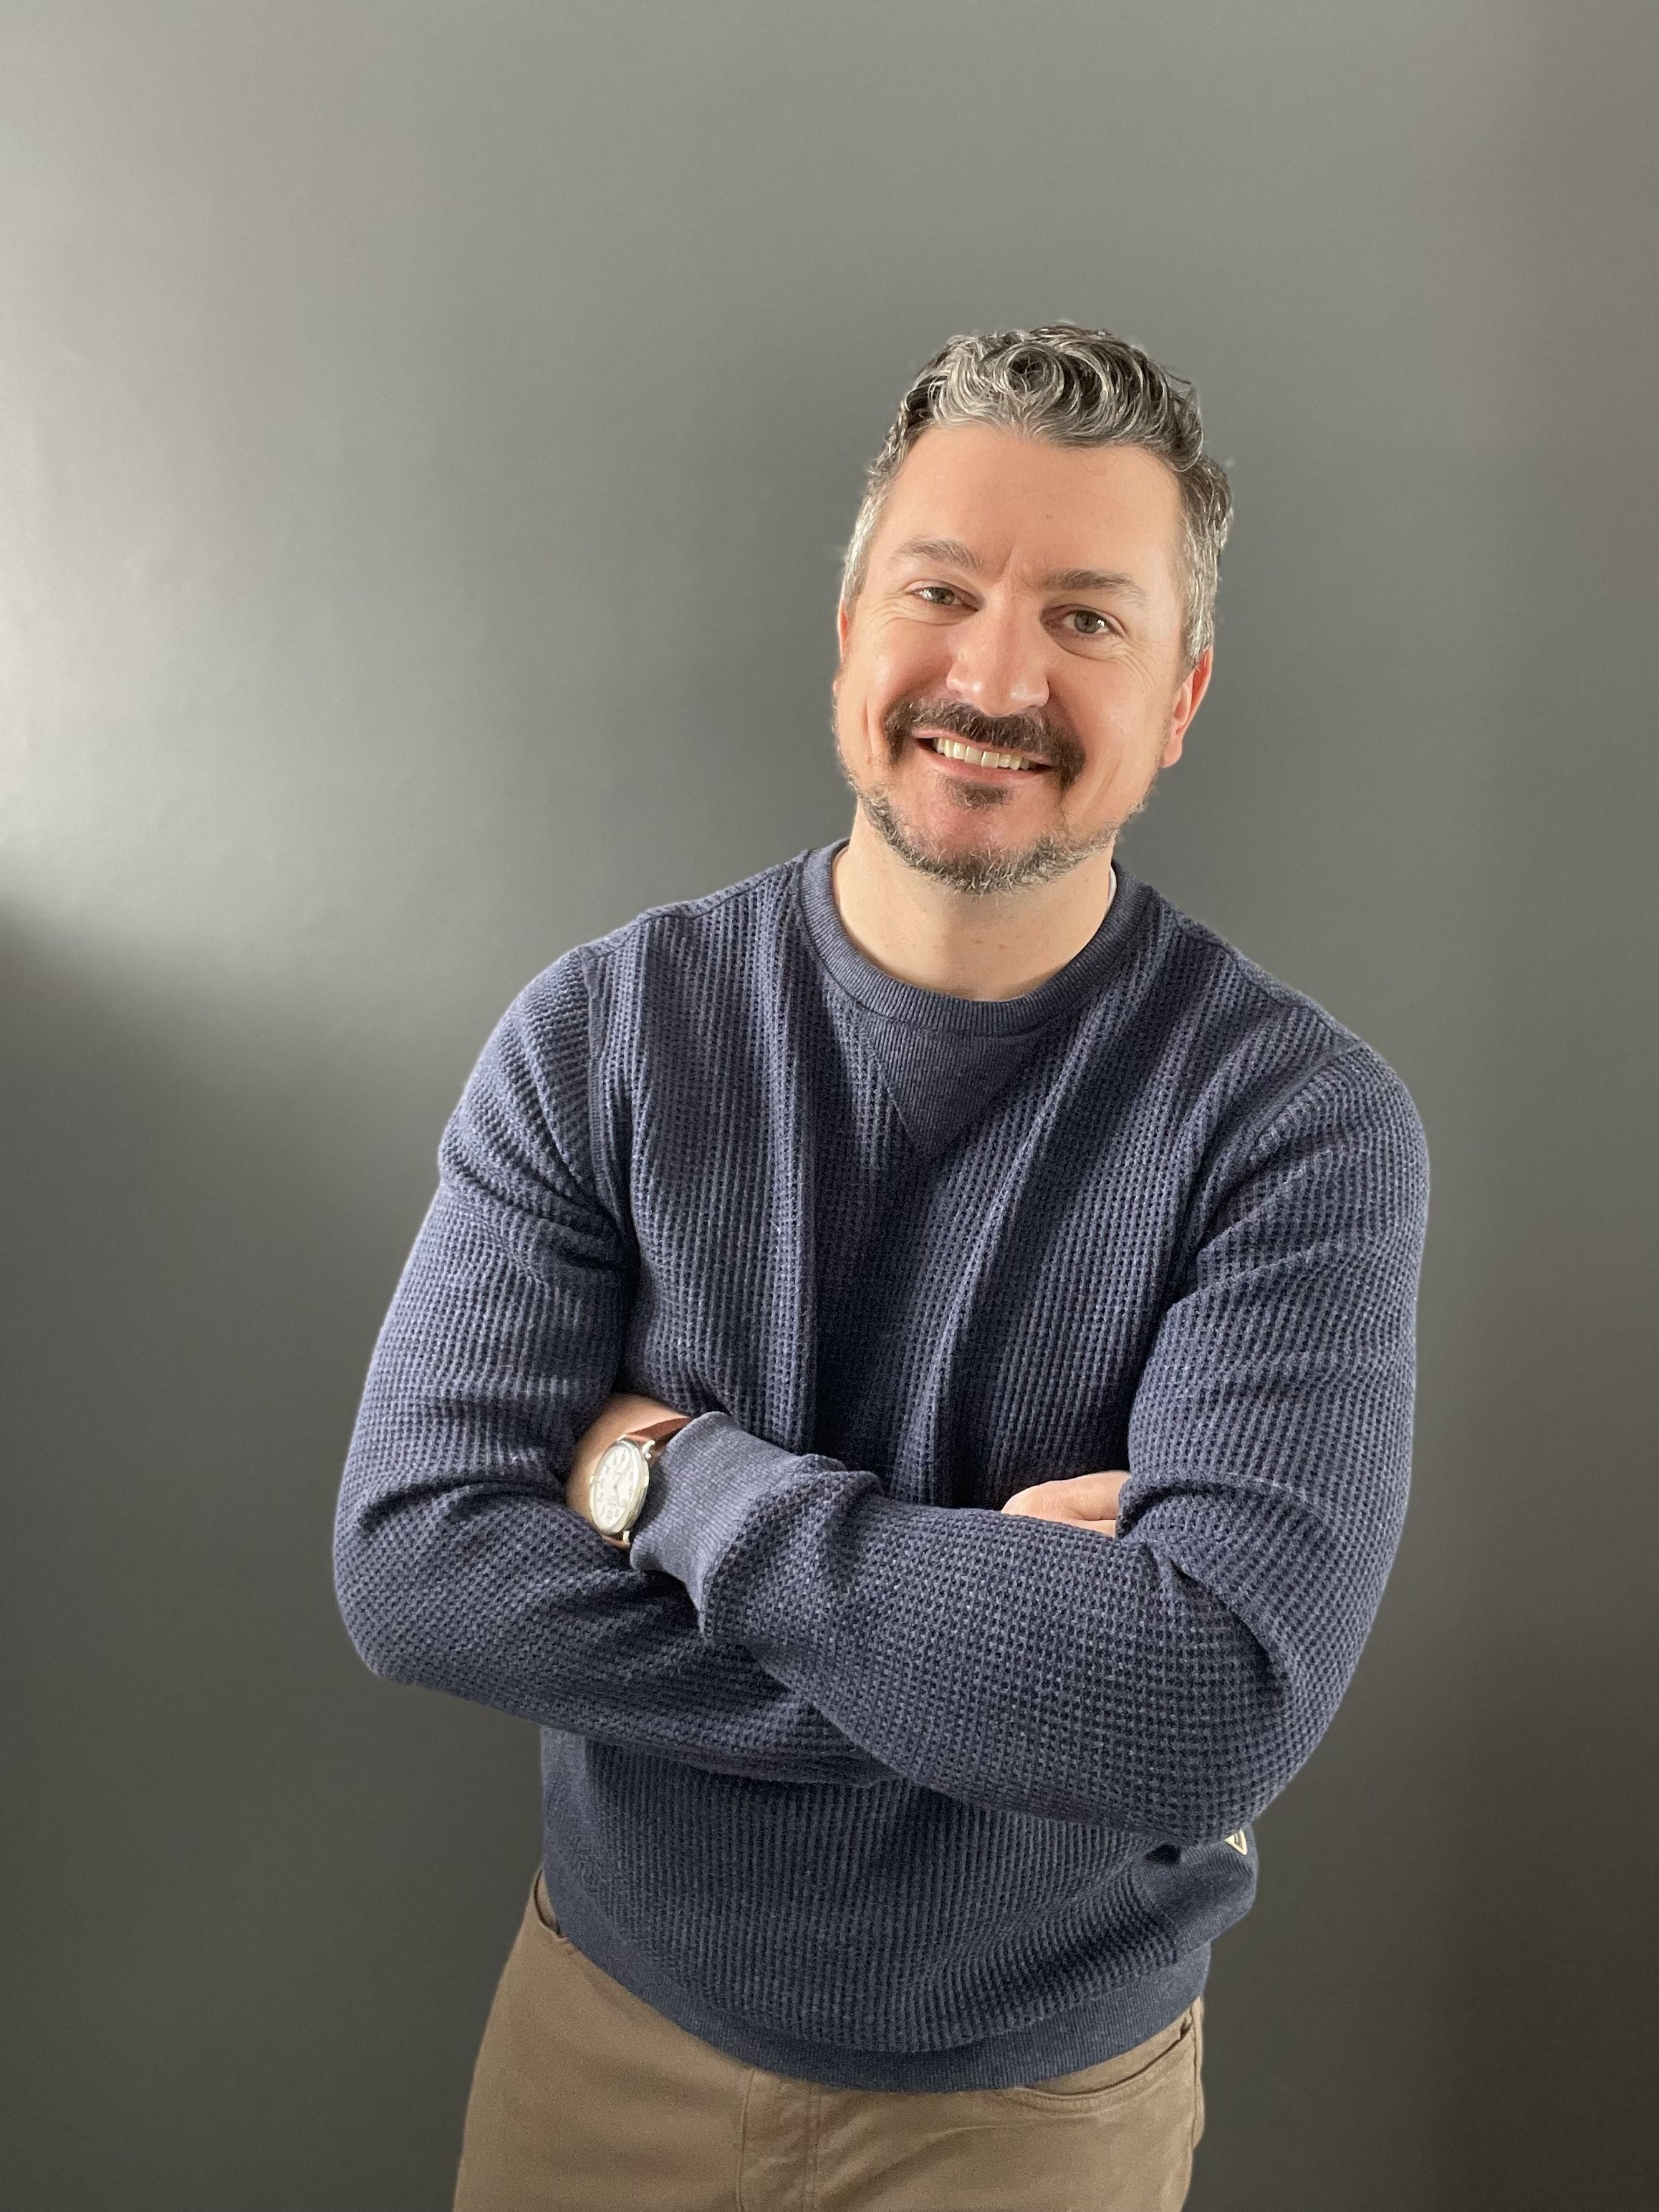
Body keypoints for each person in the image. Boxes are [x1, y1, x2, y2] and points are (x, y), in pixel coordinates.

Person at [335, 324, 1429, 2212]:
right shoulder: (604, 1033)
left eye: (1087, 618)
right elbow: (416, 1564)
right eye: (941, 590)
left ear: (1177, 698)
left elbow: (1201, 1712)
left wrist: (664, 1473)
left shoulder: (1295, 1124)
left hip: (1034, 2119)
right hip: (595, 2039)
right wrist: (1004, 1669)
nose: (993, 673)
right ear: (851, 637)